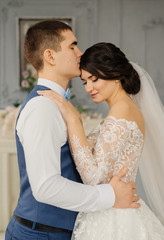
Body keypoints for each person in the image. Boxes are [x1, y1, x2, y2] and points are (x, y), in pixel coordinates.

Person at [5, 21, 139, 240]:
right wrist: (110, 195)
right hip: (40, 234)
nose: (80, 52)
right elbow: (45, 187)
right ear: (50, 56)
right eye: (72, 46)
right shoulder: (43, 108)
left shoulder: (57, 105)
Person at [38, 42, 164, 239]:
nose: (89, 88)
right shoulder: (122, 110)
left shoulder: (122, 112)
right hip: (112, 210)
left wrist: (74, 122)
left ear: (114, 74)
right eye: (85, 82)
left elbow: (94, 178)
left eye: (94, 79)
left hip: (115, 219)